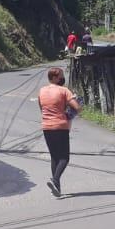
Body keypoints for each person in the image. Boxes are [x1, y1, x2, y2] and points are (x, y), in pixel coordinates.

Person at [39, 66, 81, 197]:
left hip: (46, 126)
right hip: (60, 126)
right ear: (55, 78)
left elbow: (42, 108)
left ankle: (56, 187)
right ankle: (55, 179)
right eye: (61, 76)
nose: (63, 78)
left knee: (54, 157)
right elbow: (77, 108)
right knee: (64, 158)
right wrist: (72, 107)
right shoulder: (64, 90)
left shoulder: (42, 91)